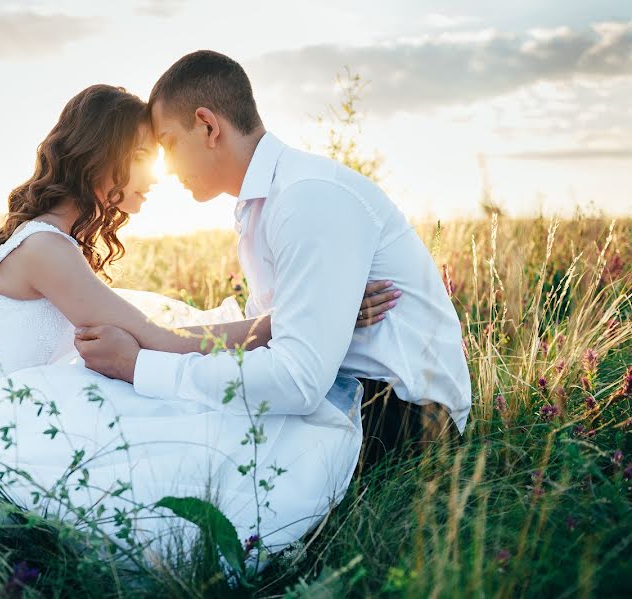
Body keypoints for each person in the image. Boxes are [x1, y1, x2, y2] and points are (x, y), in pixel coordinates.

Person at [0, 84, 396, 568]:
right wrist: (295, 323)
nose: (155, 176)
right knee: (191, 430)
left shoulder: (53, 243)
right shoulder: (45, 249)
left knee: (178, 411)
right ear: (100, 156)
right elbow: (162, 341)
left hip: (25, 406)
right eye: (140, 156)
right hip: (3, 422)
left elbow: (153, 335)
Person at [75, 51, 472, 474]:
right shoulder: (261, 206)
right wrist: (152, 340)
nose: (167, 170)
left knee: (191, 435)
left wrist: (140, 366)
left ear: (208, 126)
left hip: (409, 417)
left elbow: (295, 380)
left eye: (169, 144)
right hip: (351, 388)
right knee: (168, 418)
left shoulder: (307, 197)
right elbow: (264, 332)